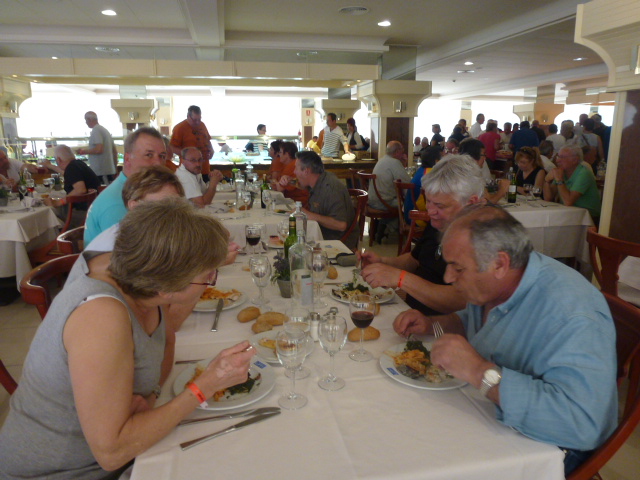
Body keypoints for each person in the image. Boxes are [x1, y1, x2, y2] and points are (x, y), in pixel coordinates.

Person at [0, 198, 256, 479]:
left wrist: (152, 395)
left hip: (116, 456)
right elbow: (112, 453)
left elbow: (166, 340)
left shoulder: (143, 278)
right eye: (208, 276)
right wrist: (204, 386)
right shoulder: (101, 316)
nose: (211, 281)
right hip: (65, 472)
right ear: (166, 287)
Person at [393, 204, 617, 476]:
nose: (448, 277)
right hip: (492, 415)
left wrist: (479, 372)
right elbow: (476, 323)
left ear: (500, 264)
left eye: (457, 268)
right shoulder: (498, 285)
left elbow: (581, 424)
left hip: (551, 451)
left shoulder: (572, 315)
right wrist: (434, 324)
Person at [360, 156, 484, 316]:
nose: (430, 211)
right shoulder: (441, 222)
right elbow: (414, 260)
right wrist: (383, 262)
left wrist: (401, 278)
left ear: (471, 202)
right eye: (429, 201)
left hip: (442, 324)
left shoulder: (483, 238)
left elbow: (461, 300)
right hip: (412, 313)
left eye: (439, 205)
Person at [84, 127, 166, 245]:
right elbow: (127, 254)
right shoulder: (117, 203)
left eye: (162, 156)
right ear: (127, 159)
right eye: (149, 155)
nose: (158, 163)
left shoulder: (136, 190)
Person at [293, 151, 357, 249]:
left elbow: (341, 225)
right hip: (321, 233)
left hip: (337, 242)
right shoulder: (318, 180)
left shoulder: (331, 189)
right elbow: (301, 185)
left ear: (306, 171)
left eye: (296, 168)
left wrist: (310, 215)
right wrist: (288, 181)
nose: (294, 172)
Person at [41, 145, 101, 227]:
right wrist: (50, 165)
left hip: (81, 214)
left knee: (50, 219)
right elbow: (67, 174)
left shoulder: (72, 168)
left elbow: (80, 190)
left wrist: (58, 202)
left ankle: (60, 234)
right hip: (93, 211)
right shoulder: (78, 164)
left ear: (58, 159)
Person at [543, 144, 601, 222]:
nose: (557, 160)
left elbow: (568, 202)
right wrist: (547, 181)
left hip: (588, 219)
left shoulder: (584, 173)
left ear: (575, 160)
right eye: (558, 157)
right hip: (569, 214)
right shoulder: (562, 171)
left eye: (562, 157)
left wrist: (559, 180)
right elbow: (548, 198)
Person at [170, 105, 214, 181]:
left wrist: (211, 150)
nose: (197, 122)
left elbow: (207, 140)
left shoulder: (202, 125)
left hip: (205, 169)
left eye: (199, 119)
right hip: (189, 170)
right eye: (195, 120)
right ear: (188, 116)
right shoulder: (179, 128)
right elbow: (172, 147)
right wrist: (189, 155)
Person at [77, 111, 118, 185]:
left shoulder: (96, 130)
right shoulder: (105, 130)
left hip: (101, 171)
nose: (86, 122)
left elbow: (99, 149)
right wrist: (114, 167)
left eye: (86, 120)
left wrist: (84, 151)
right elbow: (114, 151)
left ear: (90, 119)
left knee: (103, 190)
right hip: (108, 170)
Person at [404, 146, 441, 220]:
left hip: (409, 214)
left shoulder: (421, 170)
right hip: (419, 218)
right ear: (436, 160)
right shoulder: (432, 174)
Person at [274, 141, 309, 206]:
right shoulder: (288, 165)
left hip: (298, 204)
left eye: (280, 152)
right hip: (293, 201)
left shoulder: (292, 166)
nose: (279, 154)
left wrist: (275, 183)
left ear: (287, 154)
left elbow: (280, 189)